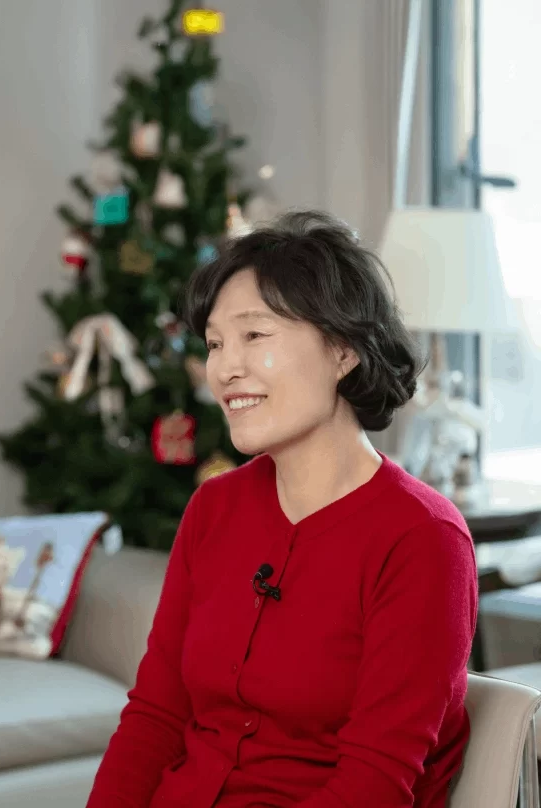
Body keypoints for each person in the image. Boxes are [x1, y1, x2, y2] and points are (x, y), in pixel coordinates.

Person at [86, 211, 478, 808]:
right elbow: (156, 716)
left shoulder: (423, 539)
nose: (225, 368)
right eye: (215, 344)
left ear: (343, 349)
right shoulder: (214, 508)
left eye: (255, 335)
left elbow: (374, 785)